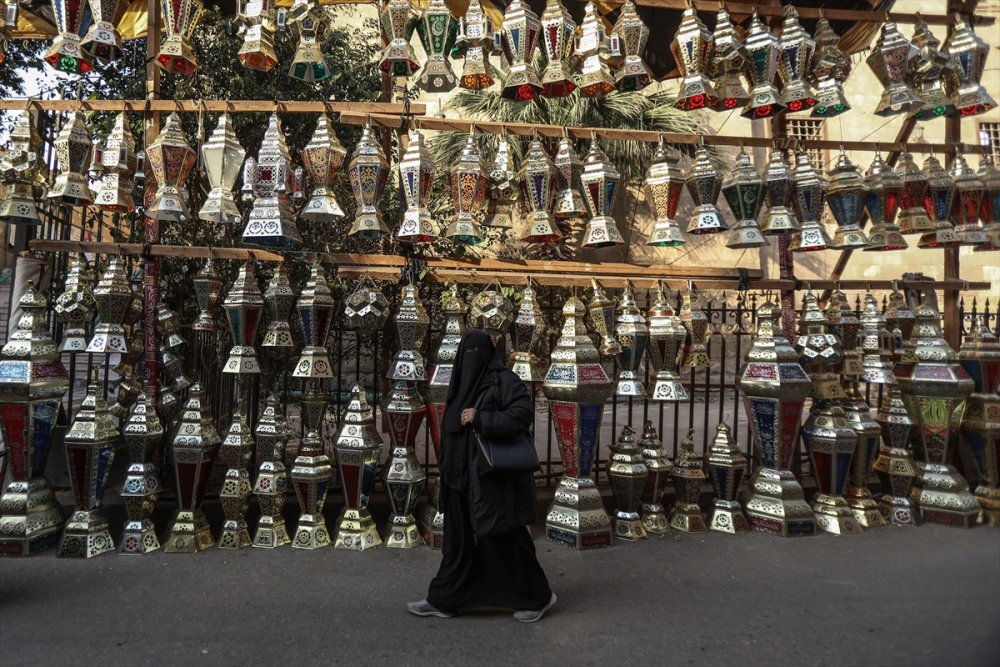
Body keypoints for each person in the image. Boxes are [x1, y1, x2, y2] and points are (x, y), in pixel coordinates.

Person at [407, 329, 556, 623]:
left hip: (492, 482)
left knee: (506, 540)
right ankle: (444, 599)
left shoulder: (504, 381)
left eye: (478, 352)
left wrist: (481, 418)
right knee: (458, 544)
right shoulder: (460, 384)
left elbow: (521, 415)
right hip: (459, 481)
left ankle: (538, 597)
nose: (472, 358)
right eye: (468, 352)